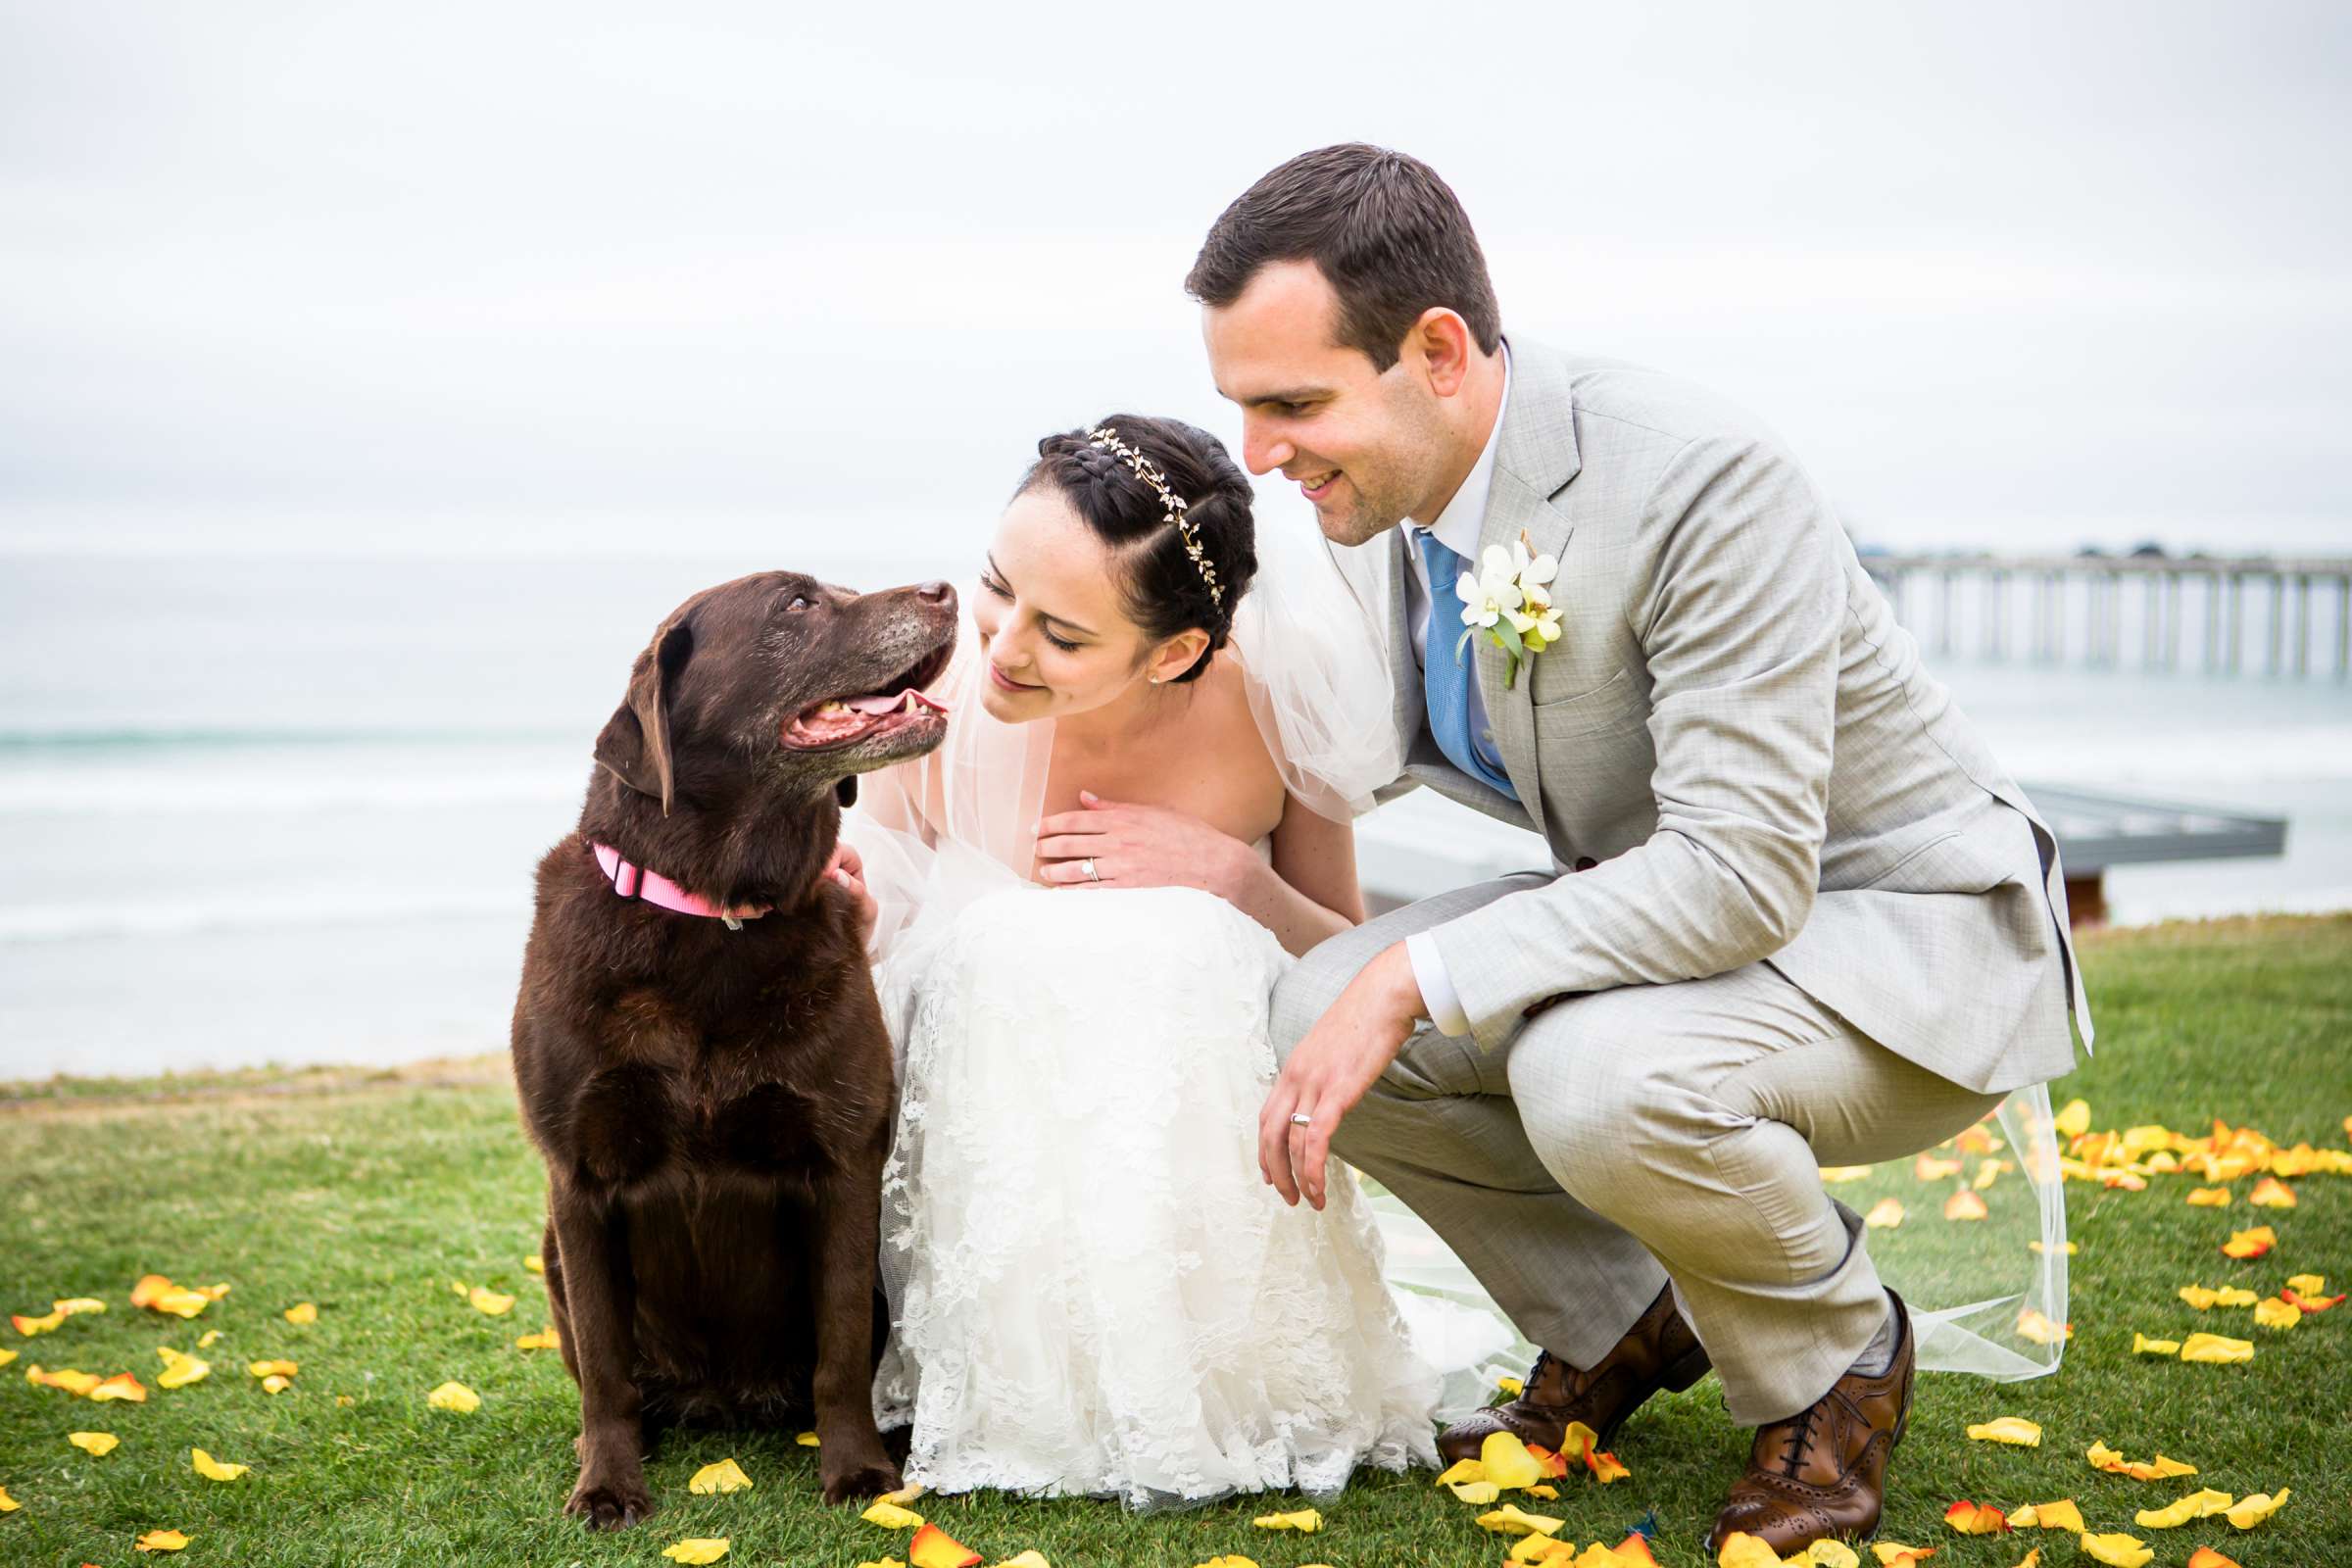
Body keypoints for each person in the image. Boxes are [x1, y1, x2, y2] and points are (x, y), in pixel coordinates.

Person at [1196, 145, 2089, 1556]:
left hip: (1904, 925)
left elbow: (1740, 872)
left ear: (1437, 352)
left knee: (1589, 1077)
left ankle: (1839, 1358)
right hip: (1677, 911)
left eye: (1293, 404)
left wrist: (1415, 972)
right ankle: (1616, 1321)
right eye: (1240, 407)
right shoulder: (1385, 502)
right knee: (1309, 1017)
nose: (1261, 453)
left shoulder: (1701, 484)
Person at [831, 415, 1458, 1507]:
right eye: (996, 587)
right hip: (991, 1140)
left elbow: (1344, 960)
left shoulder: (1273, 705)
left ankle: (1217, 1363)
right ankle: (1013, 1367)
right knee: (1007, 947)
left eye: (1063, 637)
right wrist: (833, 907)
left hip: (1201, 1188)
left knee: (1175, 942)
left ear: (1173, 651)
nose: (1005, 649)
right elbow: (881, 940)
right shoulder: (944, 692)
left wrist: (1236, 878)